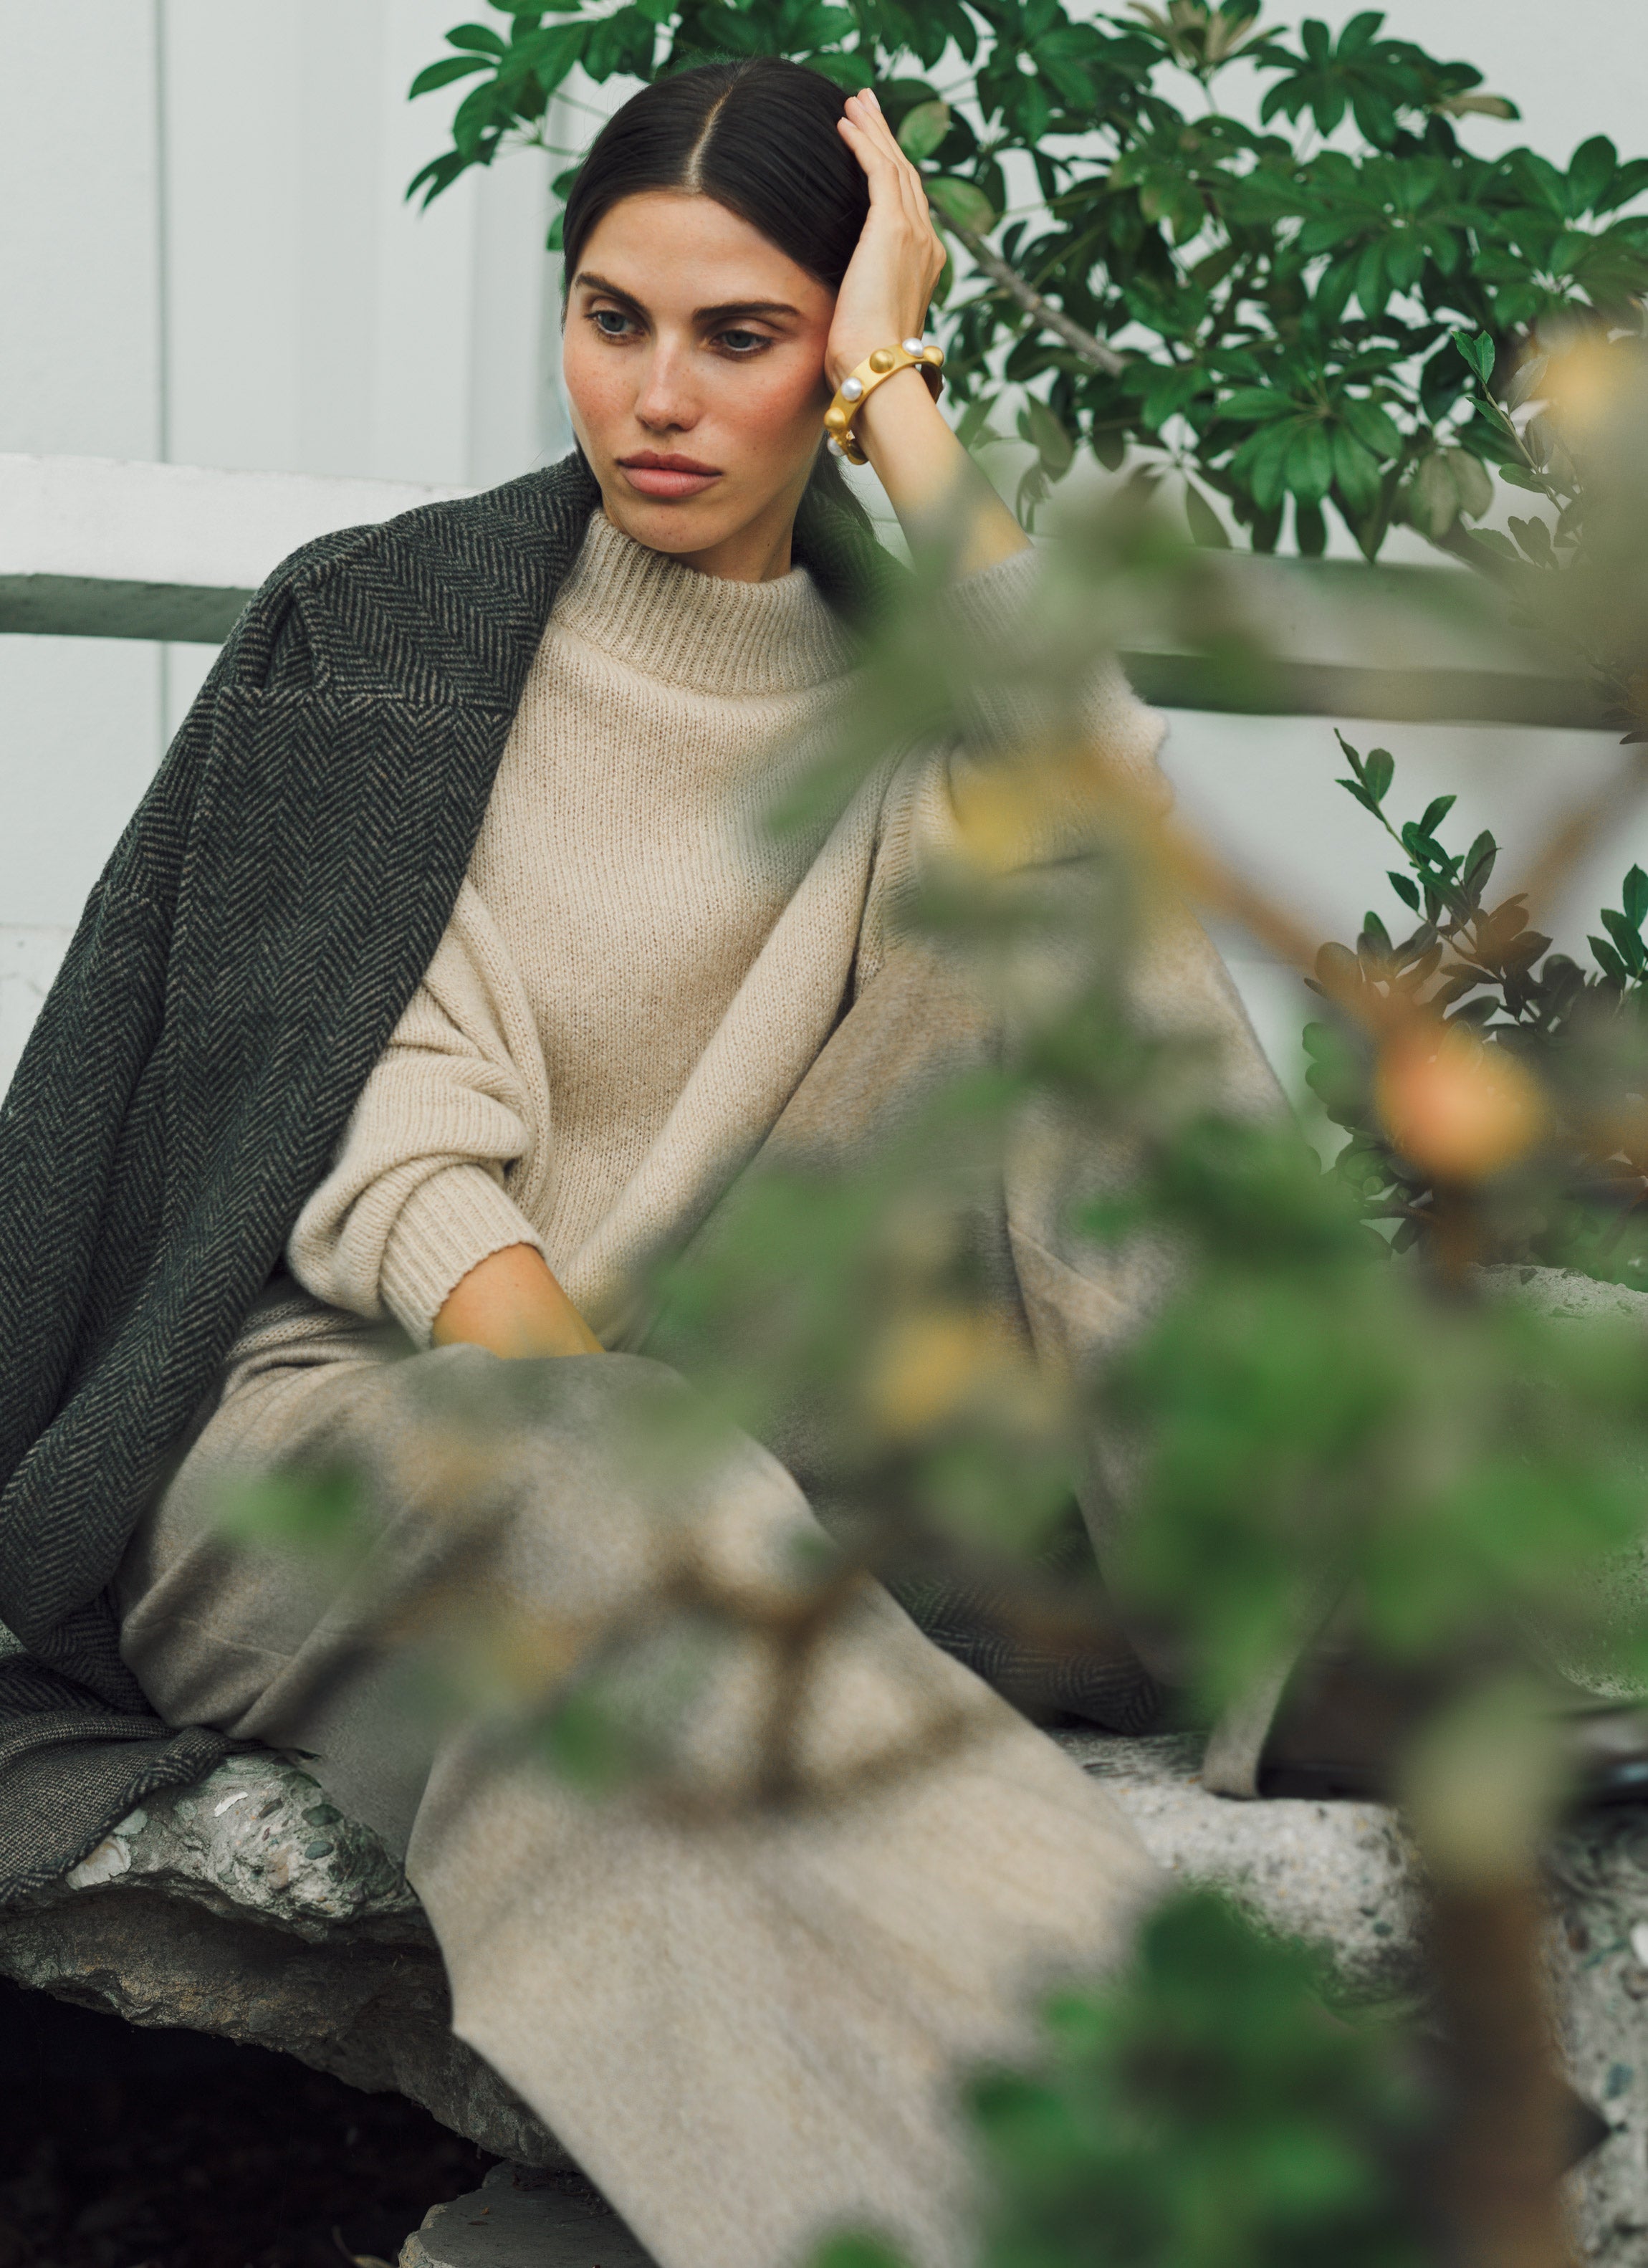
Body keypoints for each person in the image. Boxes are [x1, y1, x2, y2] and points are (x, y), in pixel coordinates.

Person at [0, 59, 1278, 2268]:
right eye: (612, 319)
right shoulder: (380, 632)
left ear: (840, 361)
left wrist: (914, 411)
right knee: (614, 1503)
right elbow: (382, 1146)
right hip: (349, 1418)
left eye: (745, 338)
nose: (656, 398)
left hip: (734, 1422)